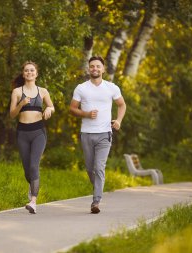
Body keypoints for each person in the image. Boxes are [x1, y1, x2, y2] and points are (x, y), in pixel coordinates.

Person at [69, 56, 126, 214]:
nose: (95, 69)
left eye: (98, 66)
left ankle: (96, 201)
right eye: (92, 66)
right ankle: (98, 188)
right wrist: (86, 114)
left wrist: (119, 121)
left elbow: (121, 105)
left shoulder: (111, 87)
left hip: (104, 134)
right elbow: (72, 108)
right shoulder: (81, 88)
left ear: (103, 69)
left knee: (99, 167)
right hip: (86, 134)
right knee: (90, 168)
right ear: (89, 69)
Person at [10, 61, 55, 214]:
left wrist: (49, 109)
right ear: (23, 74)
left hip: (38, 132)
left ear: (36, 74)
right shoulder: (17, 92)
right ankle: (33, 186)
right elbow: (12, 114)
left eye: (32, 70)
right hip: (22, 133)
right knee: (27, 171)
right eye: (26, 71)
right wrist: (21, 104)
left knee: (34, 166)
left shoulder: (42, 91)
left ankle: (33, 201)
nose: (29, 72)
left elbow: (51, 106)